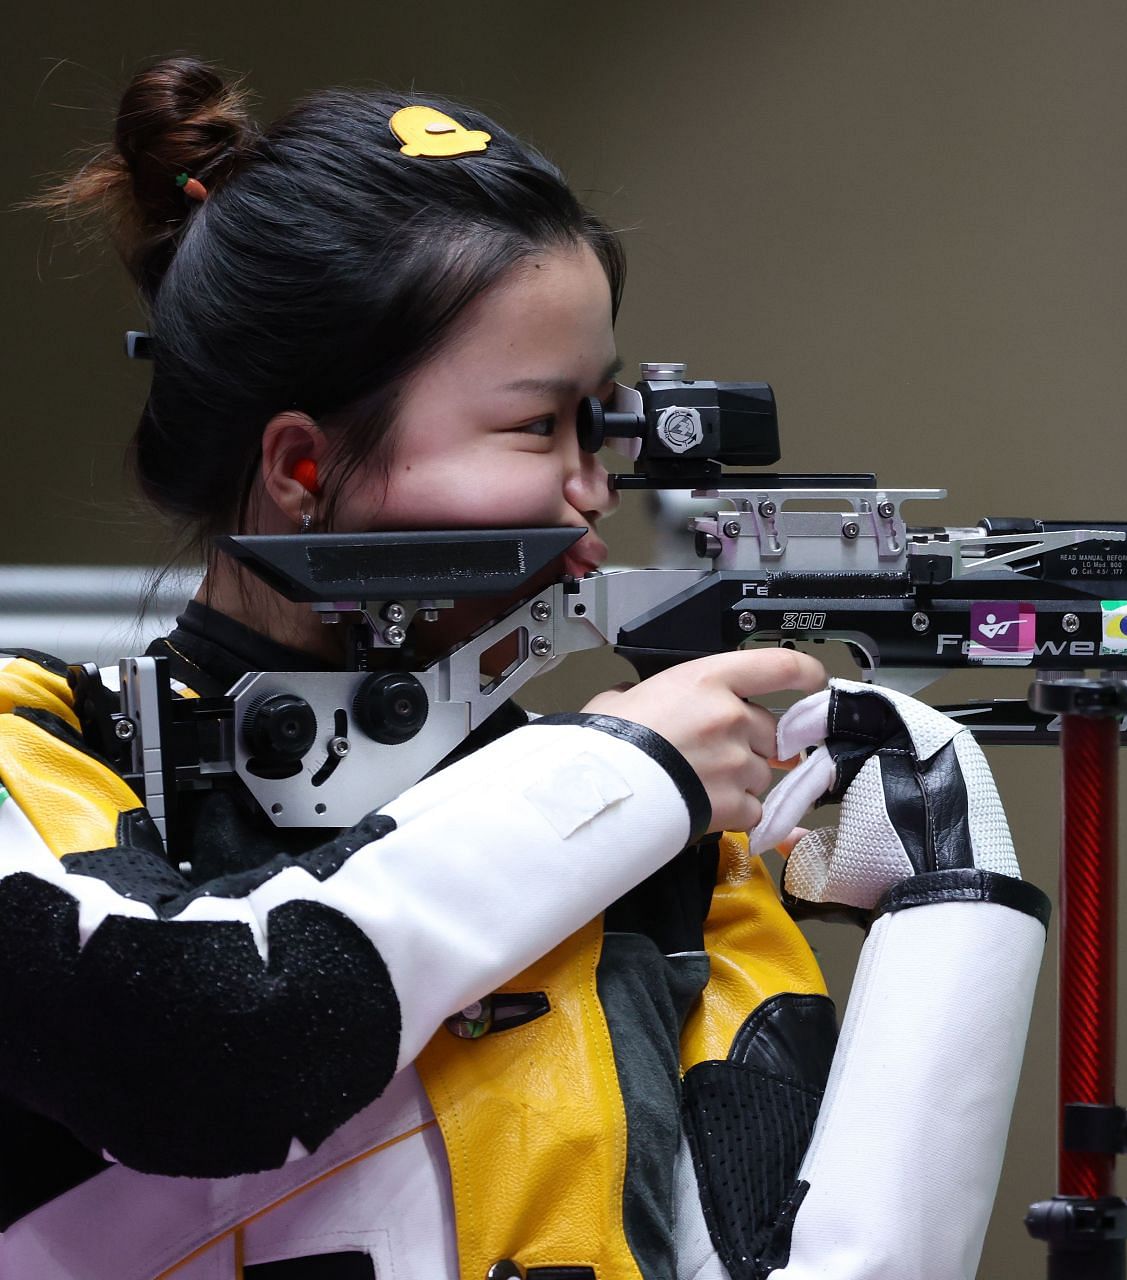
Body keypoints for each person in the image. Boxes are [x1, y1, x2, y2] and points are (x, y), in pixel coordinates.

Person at [0, 57, 1048, 1280]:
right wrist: (615, 778)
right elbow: (198, 1045)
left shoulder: (654, 840)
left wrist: (953, 904)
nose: (593, 488)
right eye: (533, 426)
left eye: (597, 424)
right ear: (299, 466)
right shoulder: (42, 742)